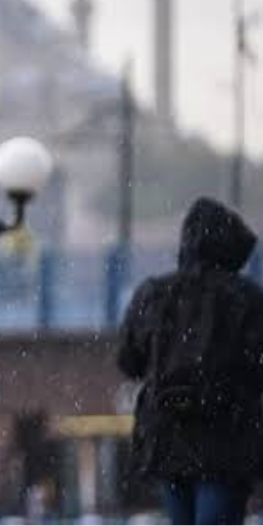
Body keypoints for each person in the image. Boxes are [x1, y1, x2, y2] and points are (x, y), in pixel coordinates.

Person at [118, 197, 262, 525]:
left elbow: (129, 361)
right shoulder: (247, 299)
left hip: (167, 437)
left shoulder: (153, 294)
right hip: (227, 439)